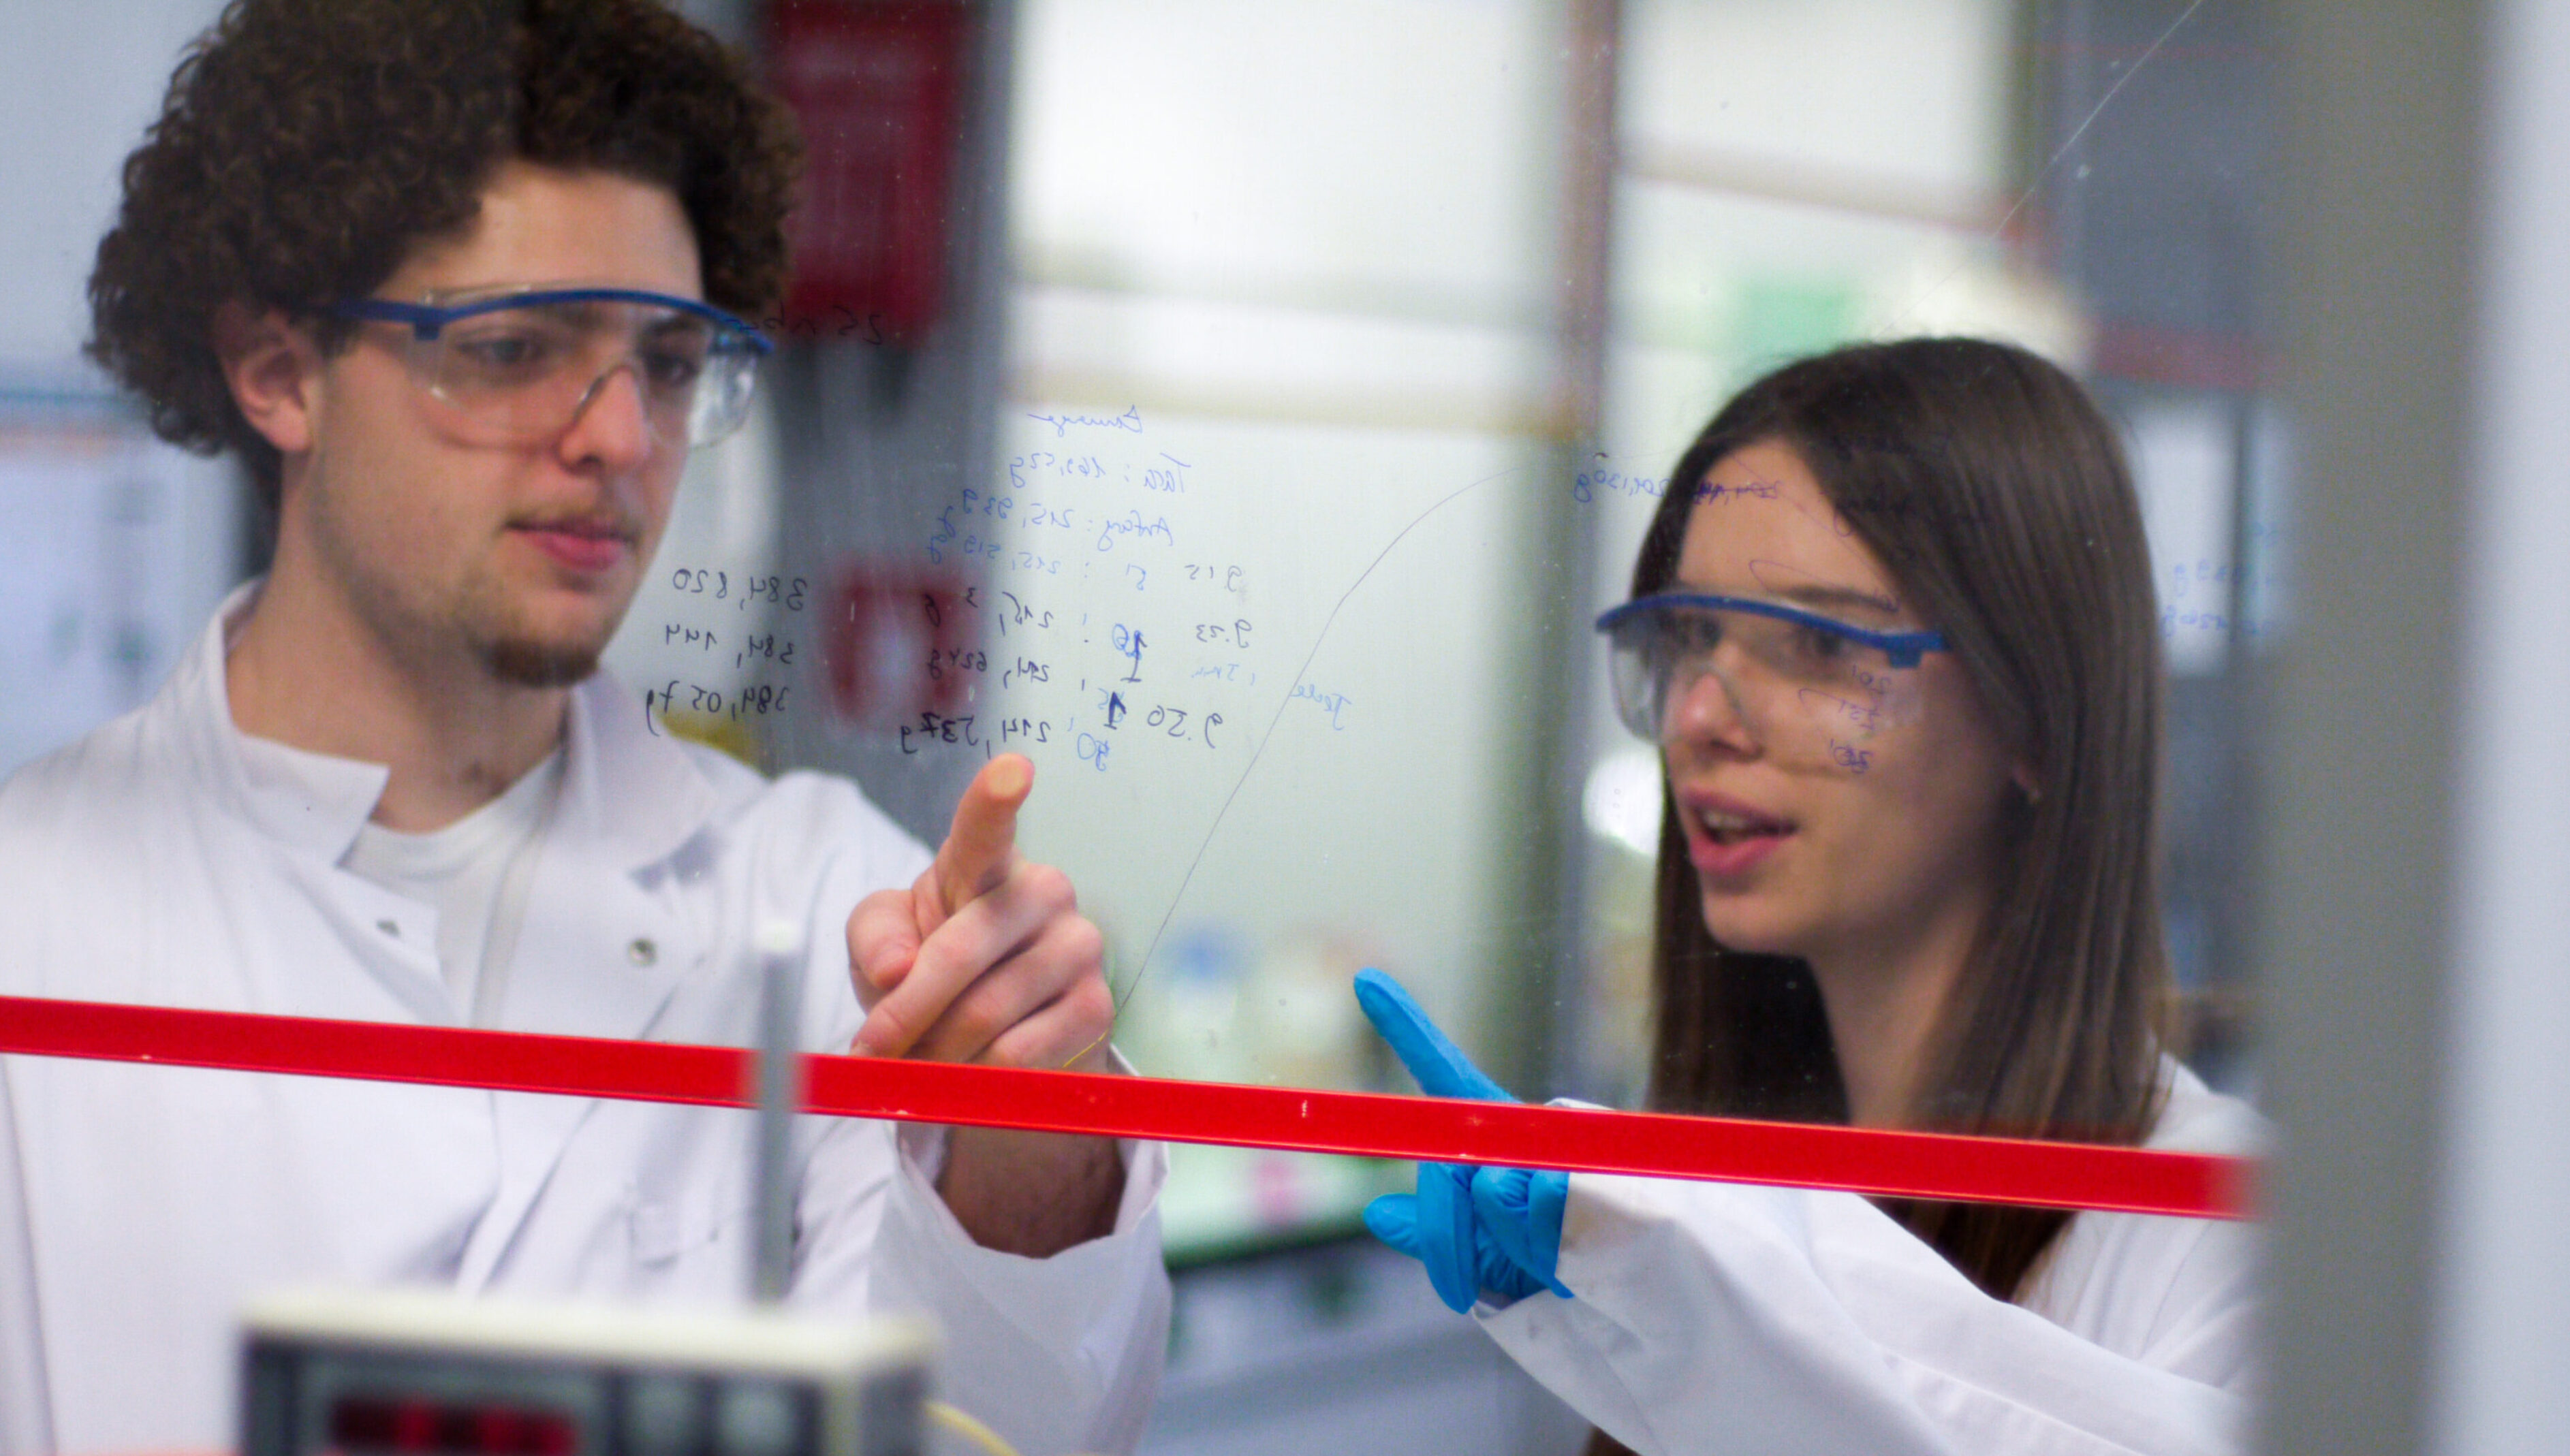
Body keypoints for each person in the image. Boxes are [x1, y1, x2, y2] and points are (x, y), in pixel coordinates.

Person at [0, 3, 1167, 1453]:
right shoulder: (33, 910)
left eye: (668, 363)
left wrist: (1023, 1153)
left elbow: (1001, 1431)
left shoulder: (826, 906)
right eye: (512, 348)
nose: (620, 438)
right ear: (278, 368)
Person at [1360, 338, 2266, 1454]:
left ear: (2035, 715)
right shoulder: (1745, 1153)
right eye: (1691, 635)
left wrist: (1705, 1294)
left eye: (1815, 645)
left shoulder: (2224, 1233)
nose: (1700, 717)